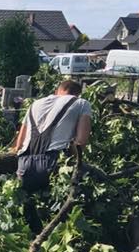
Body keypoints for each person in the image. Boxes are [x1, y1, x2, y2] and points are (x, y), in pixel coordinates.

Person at [14, 79, 92, 227]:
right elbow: (81, 143)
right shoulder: (82, 104)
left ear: (57, 91)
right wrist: (77, 166)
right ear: (77, 94)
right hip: (54, 164)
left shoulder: (35, 104)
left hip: (24, 165)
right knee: (58, 217)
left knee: (27, 215)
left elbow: (18, 144)